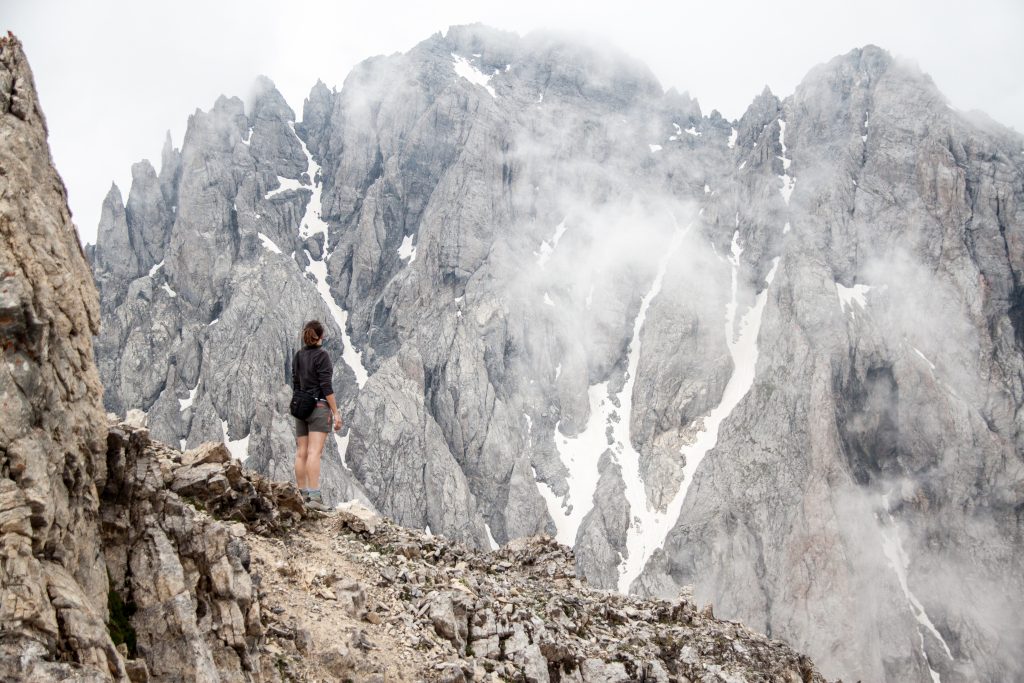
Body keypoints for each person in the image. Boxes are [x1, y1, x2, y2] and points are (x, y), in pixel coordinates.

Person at [292, 320, 341, 511]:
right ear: (321, 336)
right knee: (314, 453)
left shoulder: (298, 356)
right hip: (319, 408)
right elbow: (326, 387)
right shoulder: (322, 356)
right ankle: (314, 498)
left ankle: (301, 494)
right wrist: (336, 413)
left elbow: (296, 383)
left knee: (301, 452)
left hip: (300, 407)